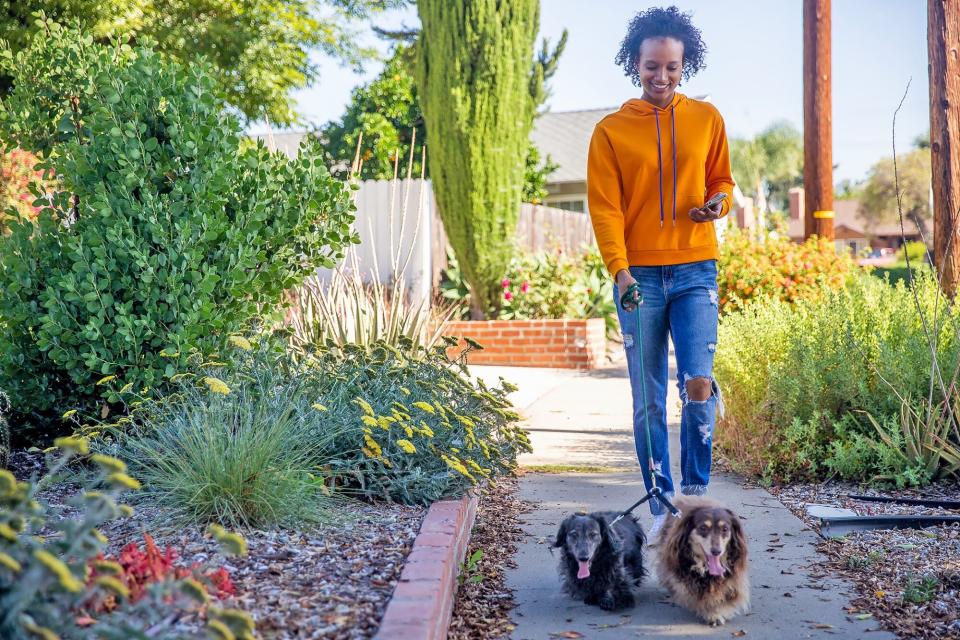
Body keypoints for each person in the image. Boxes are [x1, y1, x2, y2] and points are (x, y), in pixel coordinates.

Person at [586, 5, 734, 540]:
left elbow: (722, 180)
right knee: (647, 397)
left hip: (696, 270)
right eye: (652, 66)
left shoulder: (706, 119)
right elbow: (604, 208)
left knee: (698, 382)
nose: (662, 77)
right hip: (639, 280)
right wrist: (620, 273)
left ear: (684, 64)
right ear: (635, 64)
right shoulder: (610, 131)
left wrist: (716, 205)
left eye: (672, 67)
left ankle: (693, 499)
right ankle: (659, 507)